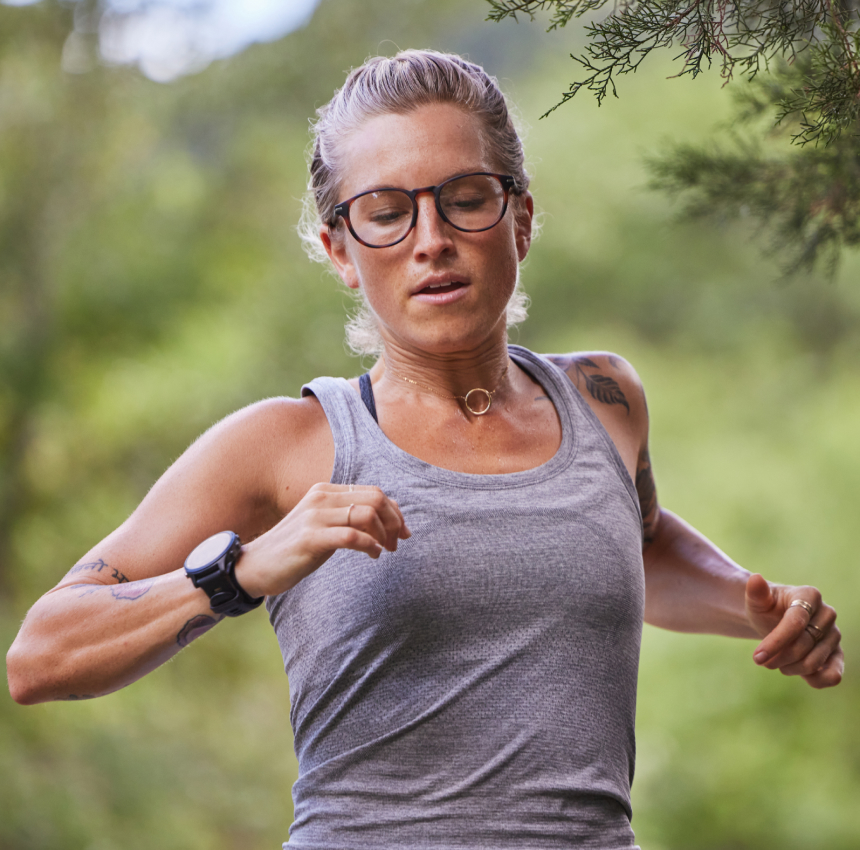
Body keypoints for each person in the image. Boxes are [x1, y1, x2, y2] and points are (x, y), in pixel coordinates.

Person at [7, 49, 843, 850]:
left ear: (519, 217)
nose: (431, 238)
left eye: (465, 197)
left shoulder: (607, 399)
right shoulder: (289, 443)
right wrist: (242, 572)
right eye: (386, 211)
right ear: (339, 250)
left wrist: (750, 603)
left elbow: (640, 539)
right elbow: (42, 656)